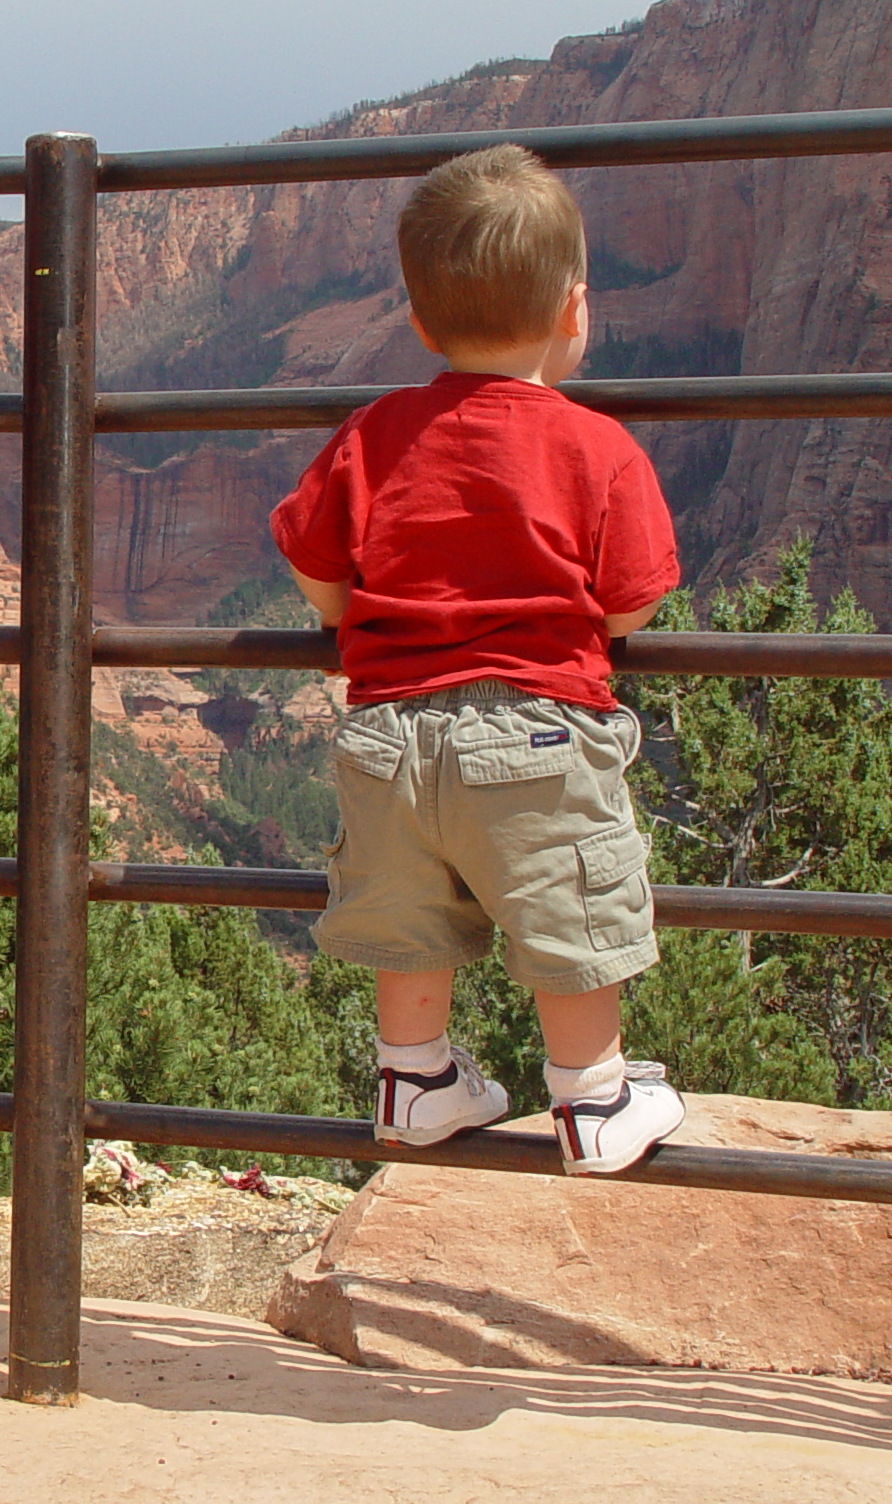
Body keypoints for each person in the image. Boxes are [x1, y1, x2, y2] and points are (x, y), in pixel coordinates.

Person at [270, 142, 686, 1175]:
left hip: (388, 736)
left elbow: (319, 577)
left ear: (418, 321)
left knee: (405, 914)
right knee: (569, 906)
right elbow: (634, 596)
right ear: (574, 312)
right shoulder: (597, 447)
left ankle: (413, 1082)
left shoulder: (372, 434)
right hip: (537, 730)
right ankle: (593, 1100)